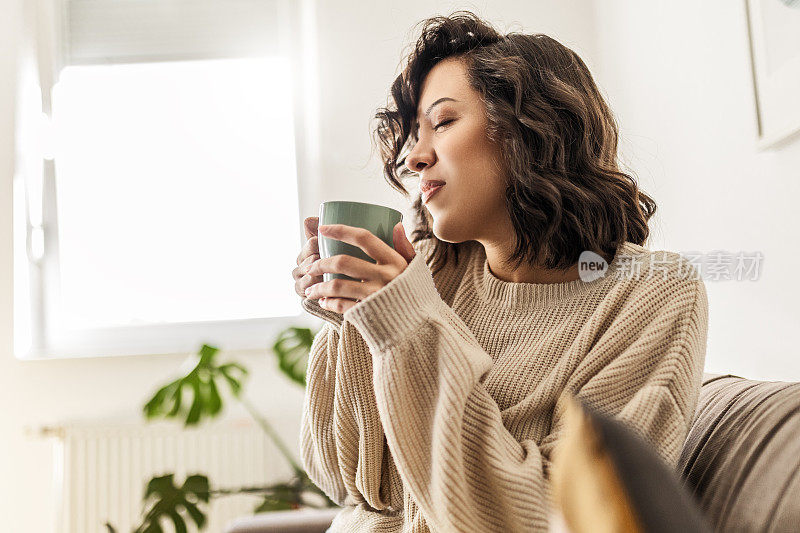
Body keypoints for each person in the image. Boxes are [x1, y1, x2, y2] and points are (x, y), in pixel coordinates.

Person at [291, 11, 708, 533]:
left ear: (530, 128)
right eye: (413, 134)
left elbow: (550, 518)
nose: (414, 157)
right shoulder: (432, 271)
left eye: (442, 123)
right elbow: (357, 484)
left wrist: (406, 326)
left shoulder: (650, 293)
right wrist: (350, 319)